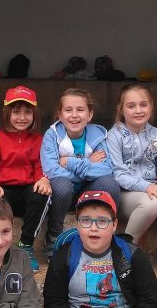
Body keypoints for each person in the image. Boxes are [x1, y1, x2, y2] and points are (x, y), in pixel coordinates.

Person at [40, 89, 121, 248]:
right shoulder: (52, 134)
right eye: (68, 110)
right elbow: (51, 170)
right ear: (60, 115)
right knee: (62, 184)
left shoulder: (97, 134)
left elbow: (106, 169)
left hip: (88, 192)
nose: (74, 115)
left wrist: (70, 162)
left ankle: (105, 230)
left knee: (109, 183)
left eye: (80, 110)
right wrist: (89, 164)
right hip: (62, 196)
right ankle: (54, 235)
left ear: (90, 115)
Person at [0, 85, 51, 264]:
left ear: (34, 115)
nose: (22, 117)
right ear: (7, 113)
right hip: (4, 189)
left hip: (27, 189)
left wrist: (43, 179)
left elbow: (41, 164)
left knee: (42, 194)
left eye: (27, 112)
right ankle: (1, 246)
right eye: (16, 112)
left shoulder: (39, 140)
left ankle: (26, 244)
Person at [106, 84, 157, 248]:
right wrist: (146, 187)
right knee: (150, 204)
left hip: (153, 191)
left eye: (143, 105)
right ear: (121, 110)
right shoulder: (114, 136)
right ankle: (125, 249)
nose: (138, 110)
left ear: (151, 107)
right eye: (131, 106)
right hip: (124, 195)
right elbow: (118, 174)